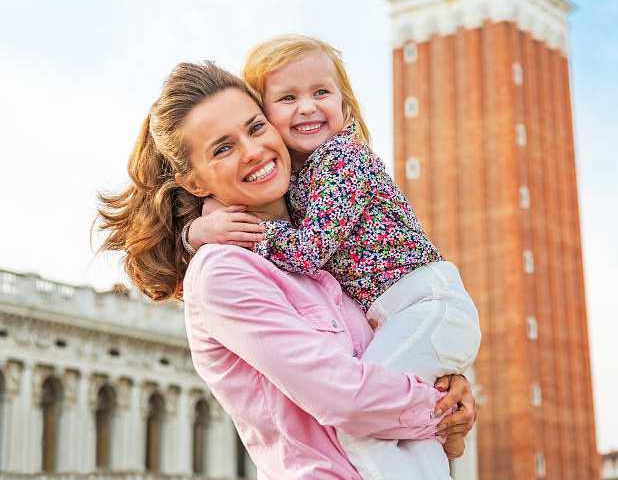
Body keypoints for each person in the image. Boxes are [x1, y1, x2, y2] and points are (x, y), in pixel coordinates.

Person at [96, 61, 475, 479]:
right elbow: (343, 395)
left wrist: (443, 385)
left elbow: (384, 365)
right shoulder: (224, 271)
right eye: (223, 148)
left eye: (255, 128)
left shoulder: (327, 248)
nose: (253, 151)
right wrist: (439, 410)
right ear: (194, 182)